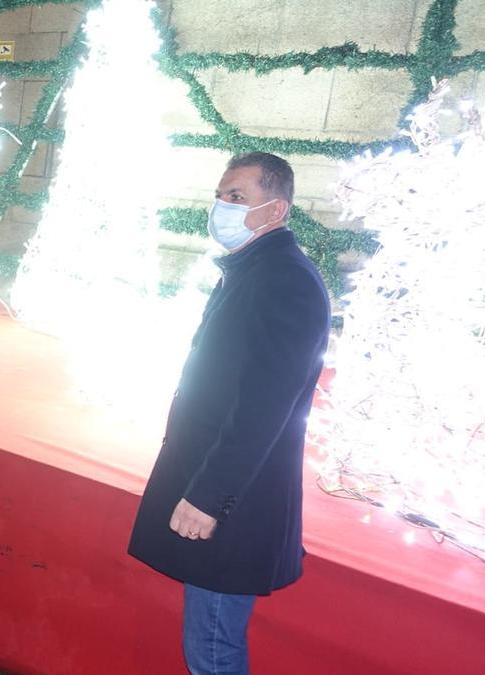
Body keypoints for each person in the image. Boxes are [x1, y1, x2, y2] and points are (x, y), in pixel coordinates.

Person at [126, 153, 331, 675]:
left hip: (236, 503)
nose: (221, 207)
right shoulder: (254, 271)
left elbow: (266, 405)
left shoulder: (285, 280)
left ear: (275, 209)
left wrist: (209, 496)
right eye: (219, 195)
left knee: (212, 646)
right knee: (208, 637)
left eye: (237, 197)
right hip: (224, 488)